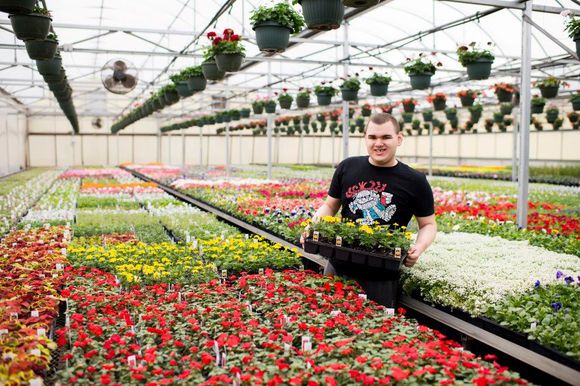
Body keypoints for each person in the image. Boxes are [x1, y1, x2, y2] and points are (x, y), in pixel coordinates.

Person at [303, 112, 437, 307]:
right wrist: (311, 227)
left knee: (374, 331)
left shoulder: (414, 180)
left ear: (399, 139)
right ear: (365, 138)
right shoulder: (347, 167)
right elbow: (330, 205)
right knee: (330, 323)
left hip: (381, 275)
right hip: (338, 266)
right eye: (372, 137)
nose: (378, 143)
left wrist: (420, 247)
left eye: (386, 137)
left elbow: (428, 224)